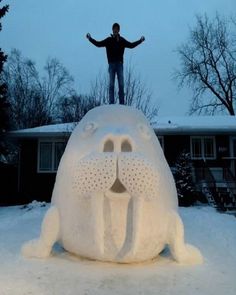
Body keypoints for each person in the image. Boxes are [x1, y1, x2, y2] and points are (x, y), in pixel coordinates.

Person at [86, 23, 145, 105]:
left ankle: (122, 104)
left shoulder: (122, 40)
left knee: (121, 84)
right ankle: (111, 103)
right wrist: (90, 39)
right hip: (111, 65)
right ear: (112, 30)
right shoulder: (108, 40)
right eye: (114, 28)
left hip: (119, 64)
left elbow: (131, 45)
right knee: (111, 85)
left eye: (117, 29)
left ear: (119, 30)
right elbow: (98, 44)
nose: (115, 30)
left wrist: (140, 41)